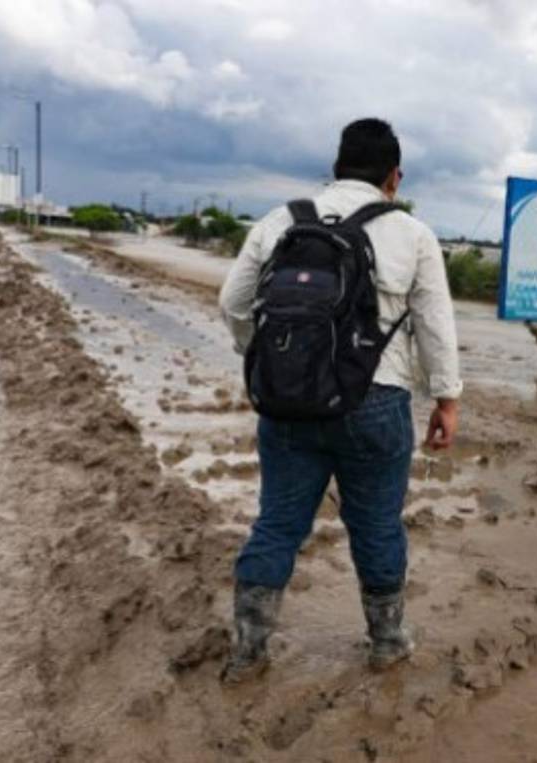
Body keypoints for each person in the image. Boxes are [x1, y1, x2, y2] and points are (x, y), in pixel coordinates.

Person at [217, 118, 462, 681]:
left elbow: (232, 302)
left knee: (277, 524)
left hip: (287, 403)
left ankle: (249, 652)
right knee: (377, 525)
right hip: (376, 403)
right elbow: (435, 326)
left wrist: (272, 359)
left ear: (334, 169)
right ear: (393, 177)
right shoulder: (412, 234)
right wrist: (446, 400)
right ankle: (387, 643)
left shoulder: (281, 220)